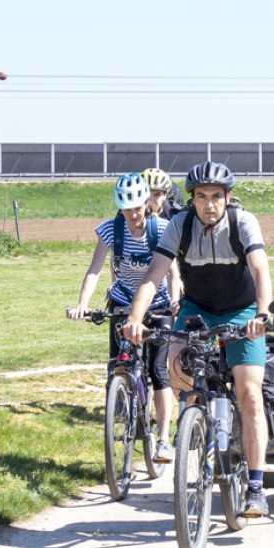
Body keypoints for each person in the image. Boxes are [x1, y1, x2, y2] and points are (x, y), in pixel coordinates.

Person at [123, 162, 274, 517]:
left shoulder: (243, 222)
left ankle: (255, 486)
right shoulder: (180, 225)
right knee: (177, 362)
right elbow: (154, 275)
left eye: (216, 196)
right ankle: (194, 420)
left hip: (242, 310)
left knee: (249, 394)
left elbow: (260, 269)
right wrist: (134, 318)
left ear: (228, 197)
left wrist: (262, 314)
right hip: (198, 308)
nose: (209, 204)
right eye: (202, 196)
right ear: (191, 199)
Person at [67, 173, 180, 463]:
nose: (134, 214)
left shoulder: (162, 228)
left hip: (158, 304)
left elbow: (172, 271)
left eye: (138, 207)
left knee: (158, 370)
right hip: (122, 301)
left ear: (147, 203)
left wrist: (175, 299)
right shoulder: (110, 230)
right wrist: (82, 304)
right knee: (119, 363)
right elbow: (94, 269)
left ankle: (163, 440)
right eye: (127, 209)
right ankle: (124, 405)